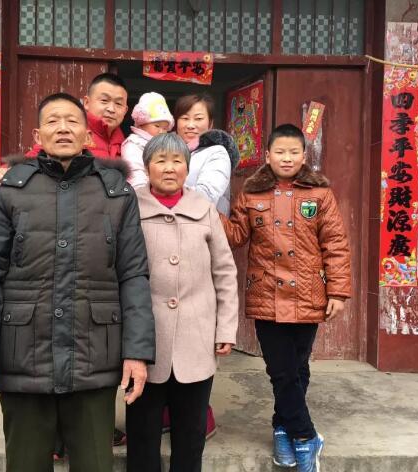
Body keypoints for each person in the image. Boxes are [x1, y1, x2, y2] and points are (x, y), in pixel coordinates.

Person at [0, 92, 156, 472]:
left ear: (87, 135)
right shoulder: (10, 191)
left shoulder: (116, 193)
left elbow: (133, 275)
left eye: (72, 121)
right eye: (52, 121)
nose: (63, 128)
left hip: (93, 357)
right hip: (23, 358)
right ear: (38, 135)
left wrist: (137, 352)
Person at [219, 124, 351, 472]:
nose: (287, 158)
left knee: (297, 368)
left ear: (304, 156)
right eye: (280, 152)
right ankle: (306, 436)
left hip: (309, 295)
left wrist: (338, 291)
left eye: (294, 152)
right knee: (281, 370)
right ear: (268, 156)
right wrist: (205, 210)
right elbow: (235, 235)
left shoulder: (320, 194)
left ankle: (282, 428)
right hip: (267, 295)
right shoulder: (251, 194)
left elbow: (335, 244)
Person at [126, 133, 238, 472]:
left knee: (190, 433)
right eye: (160, 160)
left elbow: (224, 271)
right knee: (142, 432)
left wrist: (226, 328)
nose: (169, 168)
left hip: (196, 336)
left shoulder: (204, 209)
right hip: (145, 341)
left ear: (187, 169)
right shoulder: (129, 207)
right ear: (147, 167)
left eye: (177, 161)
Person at [174, 92, 240, 216]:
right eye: (185, 118)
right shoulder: (168, 151)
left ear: (210, 123)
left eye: (198, 119)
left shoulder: (217, 153)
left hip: (204, 225)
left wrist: (165, 195)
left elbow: (206, 197)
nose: (190, 125)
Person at [121, 92, 174, 188]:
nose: (161, 131)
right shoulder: (134, 144)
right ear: (141, 124)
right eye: (157, 126)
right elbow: (135, 174)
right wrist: (144, 193)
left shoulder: (167, 146)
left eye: (165, 128)